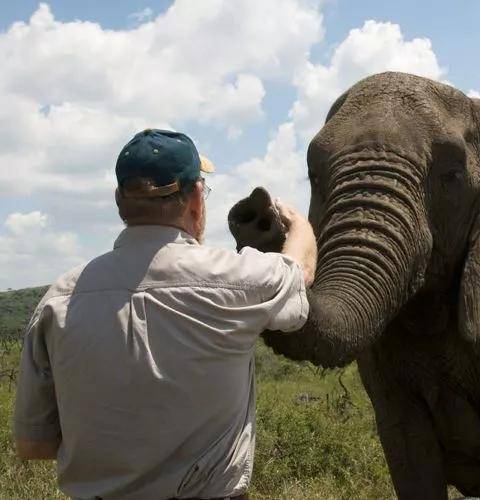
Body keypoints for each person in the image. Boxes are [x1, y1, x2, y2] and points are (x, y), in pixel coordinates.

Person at [13, 129, 317, 500]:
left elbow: (33, 445)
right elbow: (299, 273)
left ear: (118, 201)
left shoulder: (57, 300)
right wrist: (298, 223)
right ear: (194, 199)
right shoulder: (239, 280)